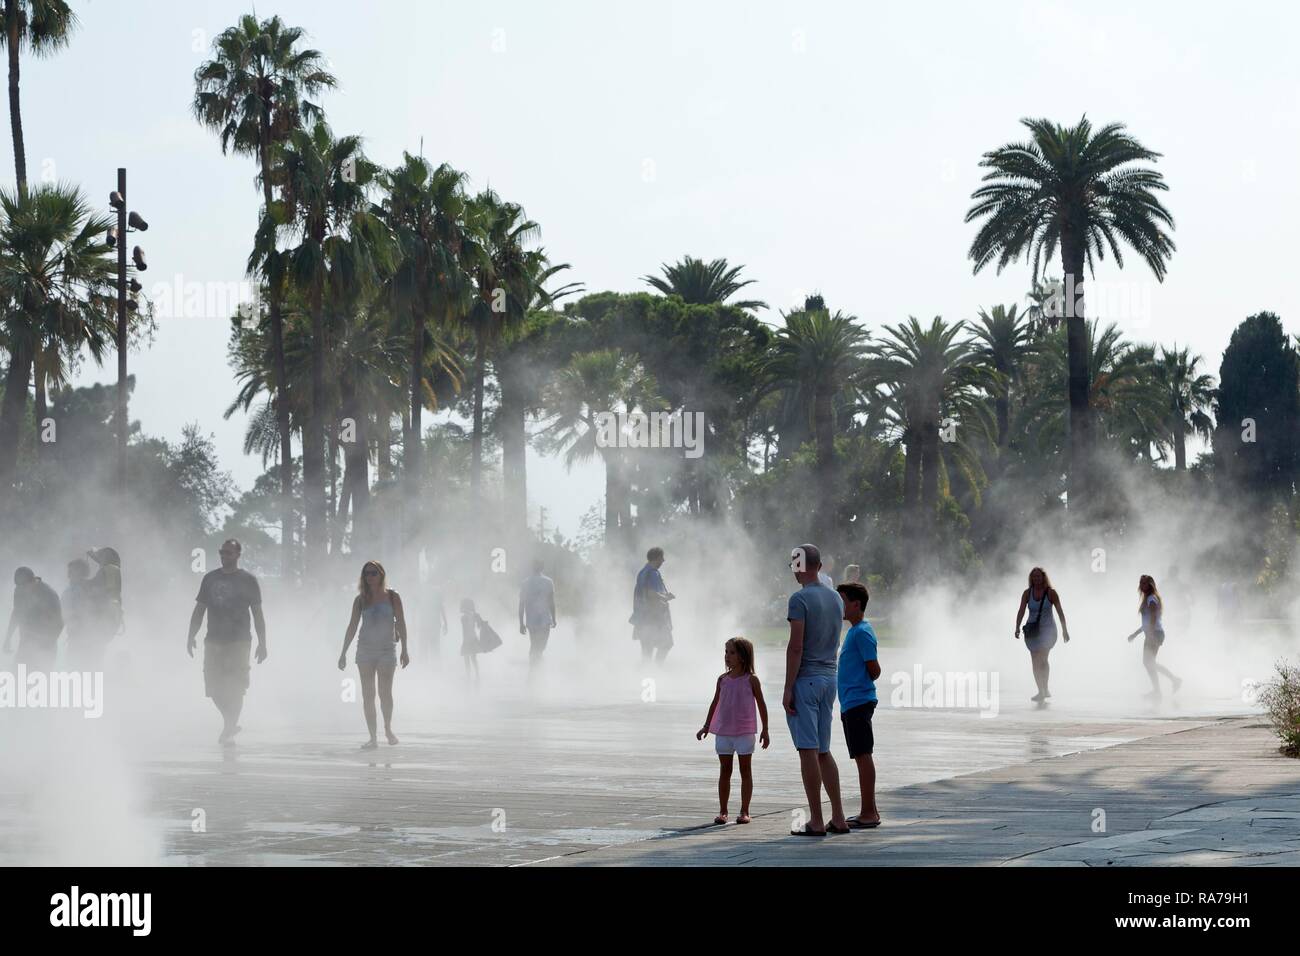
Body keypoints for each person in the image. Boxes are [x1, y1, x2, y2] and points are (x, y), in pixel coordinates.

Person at [783, 543, 849, 836]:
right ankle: (839, 816)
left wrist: (787, 688)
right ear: (819, 566)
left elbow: (796, 646)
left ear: (799, 566)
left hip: (806, 680)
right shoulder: (835, 598)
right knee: (823, 750)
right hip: (829, 679)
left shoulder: (799, 600)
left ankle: (817, 820)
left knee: (807, 751)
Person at [187, 540, 266, 746]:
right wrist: (190, 635)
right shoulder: (210, 579)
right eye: (222, 552)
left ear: (238, 554)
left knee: (237, 686)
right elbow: (199, 609)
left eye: (229, 553)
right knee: (213, 687)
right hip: (213, 639)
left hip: (239, 640)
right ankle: (229, 722)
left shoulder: (248, 580)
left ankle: (230, 726)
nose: (224, 556)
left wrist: (262, 642)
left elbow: (257, 613)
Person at [696, 637, 770, 825]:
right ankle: (723, 811)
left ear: (743, 657)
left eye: (732, 652)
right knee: (725, 770)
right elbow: (715, 703)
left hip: (745, 732)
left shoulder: (751, 680)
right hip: (723, 732)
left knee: (745, 770)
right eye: (726, 652)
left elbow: (761, 704)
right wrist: (706, 726)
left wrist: (765, 729)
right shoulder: (722, 679)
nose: (727, 656)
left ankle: (745, 811)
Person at [338, 561, 409, 748]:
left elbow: (401, 622)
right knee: (368, 695)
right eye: (366, 574)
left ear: (381, 575)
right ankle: (373, 737)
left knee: (385, 693)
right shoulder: (360, 599)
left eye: (373, 573)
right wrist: (343, 652)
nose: (370, 577)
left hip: (387, 649)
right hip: (365, 651)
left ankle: (387, 728)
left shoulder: (393, 597)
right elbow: (352, 626)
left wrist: (405, 650)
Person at [836, 581, 881, 829]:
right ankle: (870, 809)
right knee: (861, 755)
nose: (840, 606)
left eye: (843, 601)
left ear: (856, 604)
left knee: (863, 756)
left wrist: (859, 682)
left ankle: (868, 812)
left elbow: (874, 669)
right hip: (851, 702)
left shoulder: (862, 632)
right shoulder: (854, 631)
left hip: (858, 701)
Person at [1014, 566, 1071, 704]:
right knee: (1035, 661)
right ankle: (1041, 690)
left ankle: (1045, 688)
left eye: (1039, 576)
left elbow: (1060, 612)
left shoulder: (1051, 593)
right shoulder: (1027, 594)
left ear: (1043, 577)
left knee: (1043, 658)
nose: (1037, 579)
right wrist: (1017, 626)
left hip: (1048, 630)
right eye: (1034, 576)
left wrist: (1065, 630)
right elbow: (1021, 611)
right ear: (1031, 578)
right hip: (1032, 631)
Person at [1126, 574, 1182, 700]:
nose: (1142, 585)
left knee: (1148, 662)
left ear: (1150, 585)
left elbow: (1152, 619)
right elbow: (1146, 623)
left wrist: (1150, 635)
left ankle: (1164, 687)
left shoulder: (1151, 599)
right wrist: (1135, 634)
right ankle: (1168, 684)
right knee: (1149, 663)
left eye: (1144, 583)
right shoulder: (1147, 598)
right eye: (1141, 583)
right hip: (1153, 633)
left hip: (1155, 634)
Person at [4, 567, 63, 671]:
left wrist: (48, 643)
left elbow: (60, 621)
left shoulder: (48, 594)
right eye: (18, 586)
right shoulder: (19, 590)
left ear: (32, 581)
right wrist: (8, 638)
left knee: (41, 679)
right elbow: (16, 613)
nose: (21, 589)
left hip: (45, 644)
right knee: (18, 675)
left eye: (24, 586)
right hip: (26, 642)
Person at [631, 547, 674, 664]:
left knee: (646, 650)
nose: (663, 561)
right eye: (662, 558)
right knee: (667, 644)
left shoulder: (642, 572)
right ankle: (657, 669)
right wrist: (665, 597)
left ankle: (647, 674)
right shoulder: (652, 573)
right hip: (654, 617)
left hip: (643, 617)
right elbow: (651, 593)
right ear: (657, 558)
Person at [518, 559, 557, 669]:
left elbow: (521, 604)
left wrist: (521, 623)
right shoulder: (548, 581)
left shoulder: (525, 583)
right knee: (540, 647)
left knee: (535, 645)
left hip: (532, 620)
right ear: (542, 568)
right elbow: (551, 602)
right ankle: (536, 670)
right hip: (544, 619)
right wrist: (553, 618)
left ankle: (534, 668)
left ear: (532, 568)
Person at [62, 559, 98, 669]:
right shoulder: (89, 589)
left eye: (71, 572)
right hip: (83, 637)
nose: (68, 575)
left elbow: (80, 612)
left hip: (80, 637)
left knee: (76, 668)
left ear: (80, 573)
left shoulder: (78, 590)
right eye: (69, 572)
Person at [459, 598, 481, 681]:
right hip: (473, 639)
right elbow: (479, 626)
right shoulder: (474, 616)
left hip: (467, 640)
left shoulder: (464, 617)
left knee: (467, 659)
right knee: (473, 659)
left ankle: (470, 675)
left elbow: (465, 629)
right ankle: (476, 674)